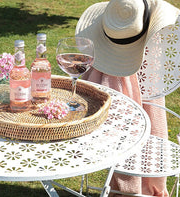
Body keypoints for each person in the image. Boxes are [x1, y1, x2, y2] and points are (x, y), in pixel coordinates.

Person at [75, 0, 180, 196]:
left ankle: (135, 188)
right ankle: (138, 188)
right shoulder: (151, 59)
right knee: (149, 109)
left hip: (133, 39)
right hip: (139, 41)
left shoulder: (126, 12)